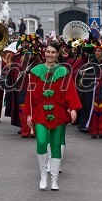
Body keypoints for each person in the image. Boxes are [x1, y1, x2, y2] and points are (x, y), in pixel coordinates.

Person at [24, 42, 81, 191]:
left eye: (53, 52)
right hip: (39, 112)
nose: (50, 55)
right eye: (48, 52)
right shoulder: (35, 71)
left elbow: (70, 91)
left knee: (56, 145)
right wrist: (29, 114)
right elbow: (29, 95)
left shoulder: (63, 71)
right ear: (44, 53)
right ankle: (43, 175)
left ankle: (54, 180)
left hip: (59, 111)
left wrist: (73, 108)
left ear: (57, 54)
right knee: (42, 141)